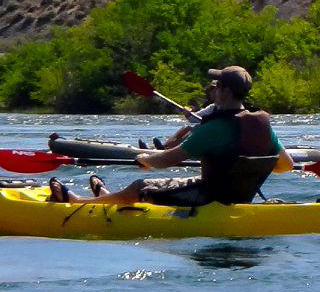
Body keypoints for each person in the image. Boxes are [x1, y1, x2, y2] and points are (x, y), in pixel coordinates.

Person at [49, 66, 293, 205]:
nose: (213, 89)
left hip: (208, 198)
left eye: (217, 86)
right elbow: (285, 165)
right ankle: (108, 197)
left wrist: (145, 158)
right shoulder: (262, 125)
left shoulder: (214, 128)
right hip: (241, 198)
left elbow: (167, 160)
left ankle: (78, 202)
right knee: (152, 186)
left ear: (227, 92)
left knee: (141, 185)